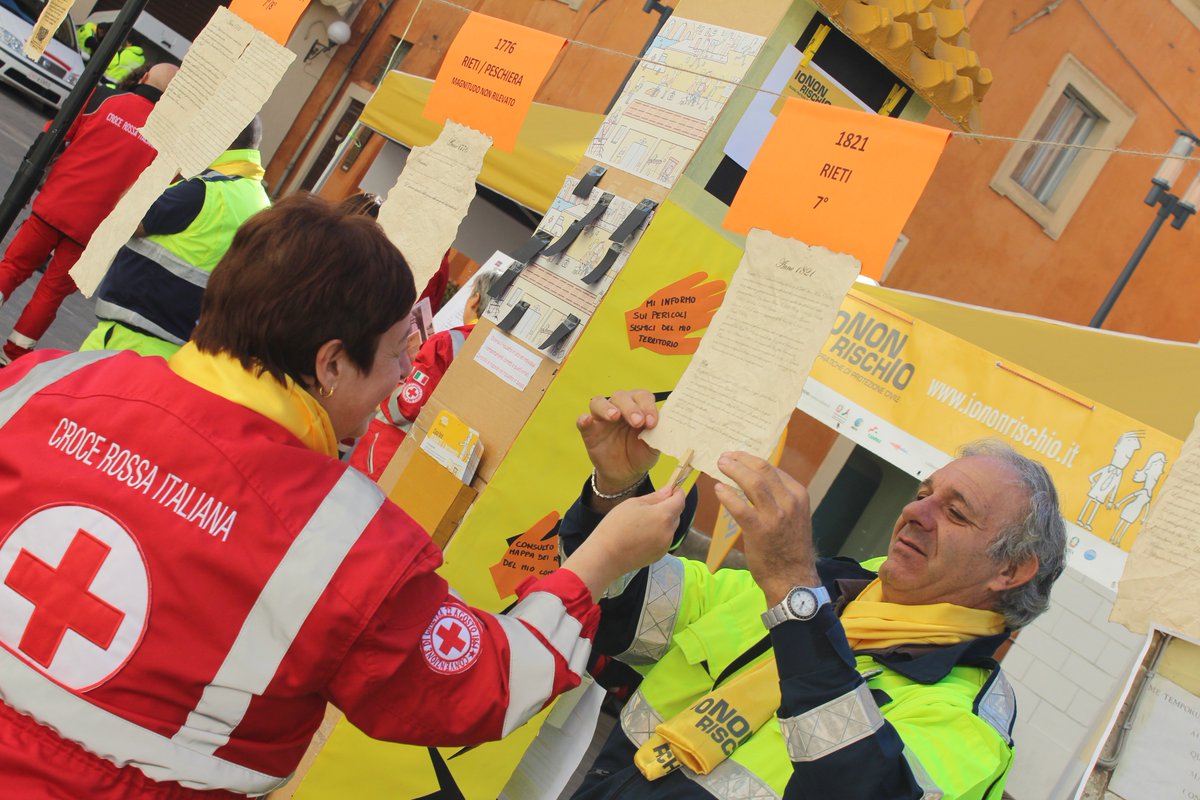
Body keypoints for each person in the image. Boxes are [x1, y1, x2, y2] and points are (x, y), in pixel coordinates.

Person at [0, 195, 687, 798]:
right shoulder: (343, 540)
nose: (402, 379)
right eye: (395, 356)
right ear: (331, 363)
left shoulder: (45, 382)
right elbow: (479, 685)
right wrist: (601, 558)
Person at [562, 391, 1068, 799]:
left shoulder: (968, 725)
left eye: (956, 513)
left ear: (1012, 569)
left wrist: (794, 596)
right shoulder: (823, 591)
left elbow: (865, 789)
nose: (918, 513)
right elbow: (617, 612)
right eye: (921, 495)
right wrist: (618, 490)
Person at [0, 63, 178, 364]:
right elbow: (160, 193)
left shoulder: (101, 99)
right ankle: (12, 355)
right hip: (95, 233)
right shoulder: (172, 142)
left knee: (13, 267)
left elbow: (52, 135)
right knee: (51, 293)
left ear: (144, 77)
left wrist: (27, 185)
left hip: (54, 205)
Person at [79, 116, 271, 357]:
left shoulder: (204, 190)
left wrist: (164, 166)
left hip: (128, 341)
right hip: (179, 352)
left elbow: (124, 218)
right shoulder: (259, 202)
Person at [350, 266, 503, 480]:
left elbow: (406, 407)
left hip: (387, 453)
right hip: (438, 464)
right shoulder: (502, 355)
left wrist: (395, 383)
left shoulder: (447, 342)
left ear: (475, 300)